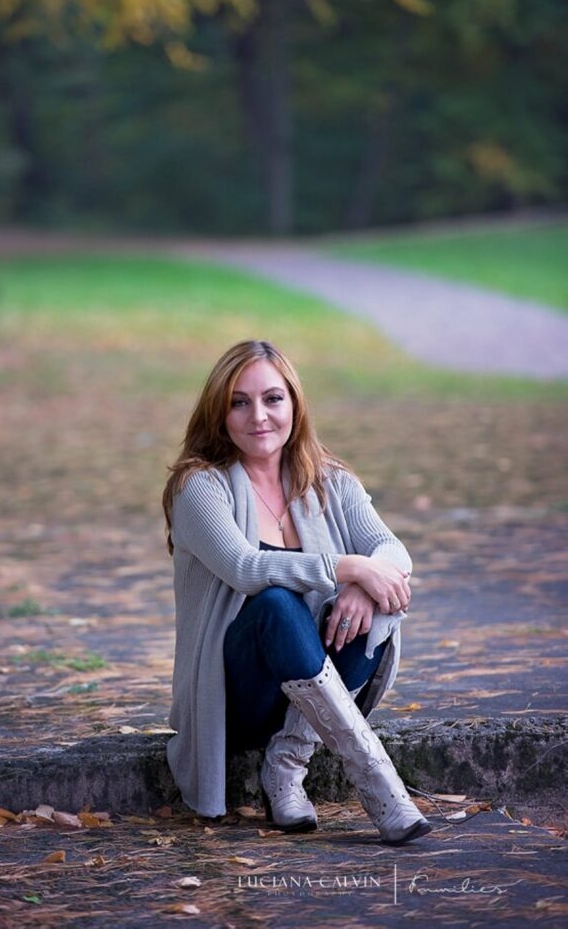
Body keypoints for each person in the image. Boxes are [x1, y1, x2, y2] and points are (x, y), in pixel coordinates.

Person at [162, 340, 432, 845]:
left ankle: (285, 766)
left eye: (272, 399)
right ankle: (379, 784)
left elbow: (393, 552)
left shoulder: (329, 479)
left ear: (294, 404)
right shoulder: (199, 487)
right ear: (219, 414)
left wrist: (362, 589)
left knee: (374, 604)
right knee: (276, 602)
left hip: (304, 709)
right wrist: (347, 567)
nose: (258, 416)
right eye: (239, 402)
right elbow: (246, 567)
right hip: (238, 696)